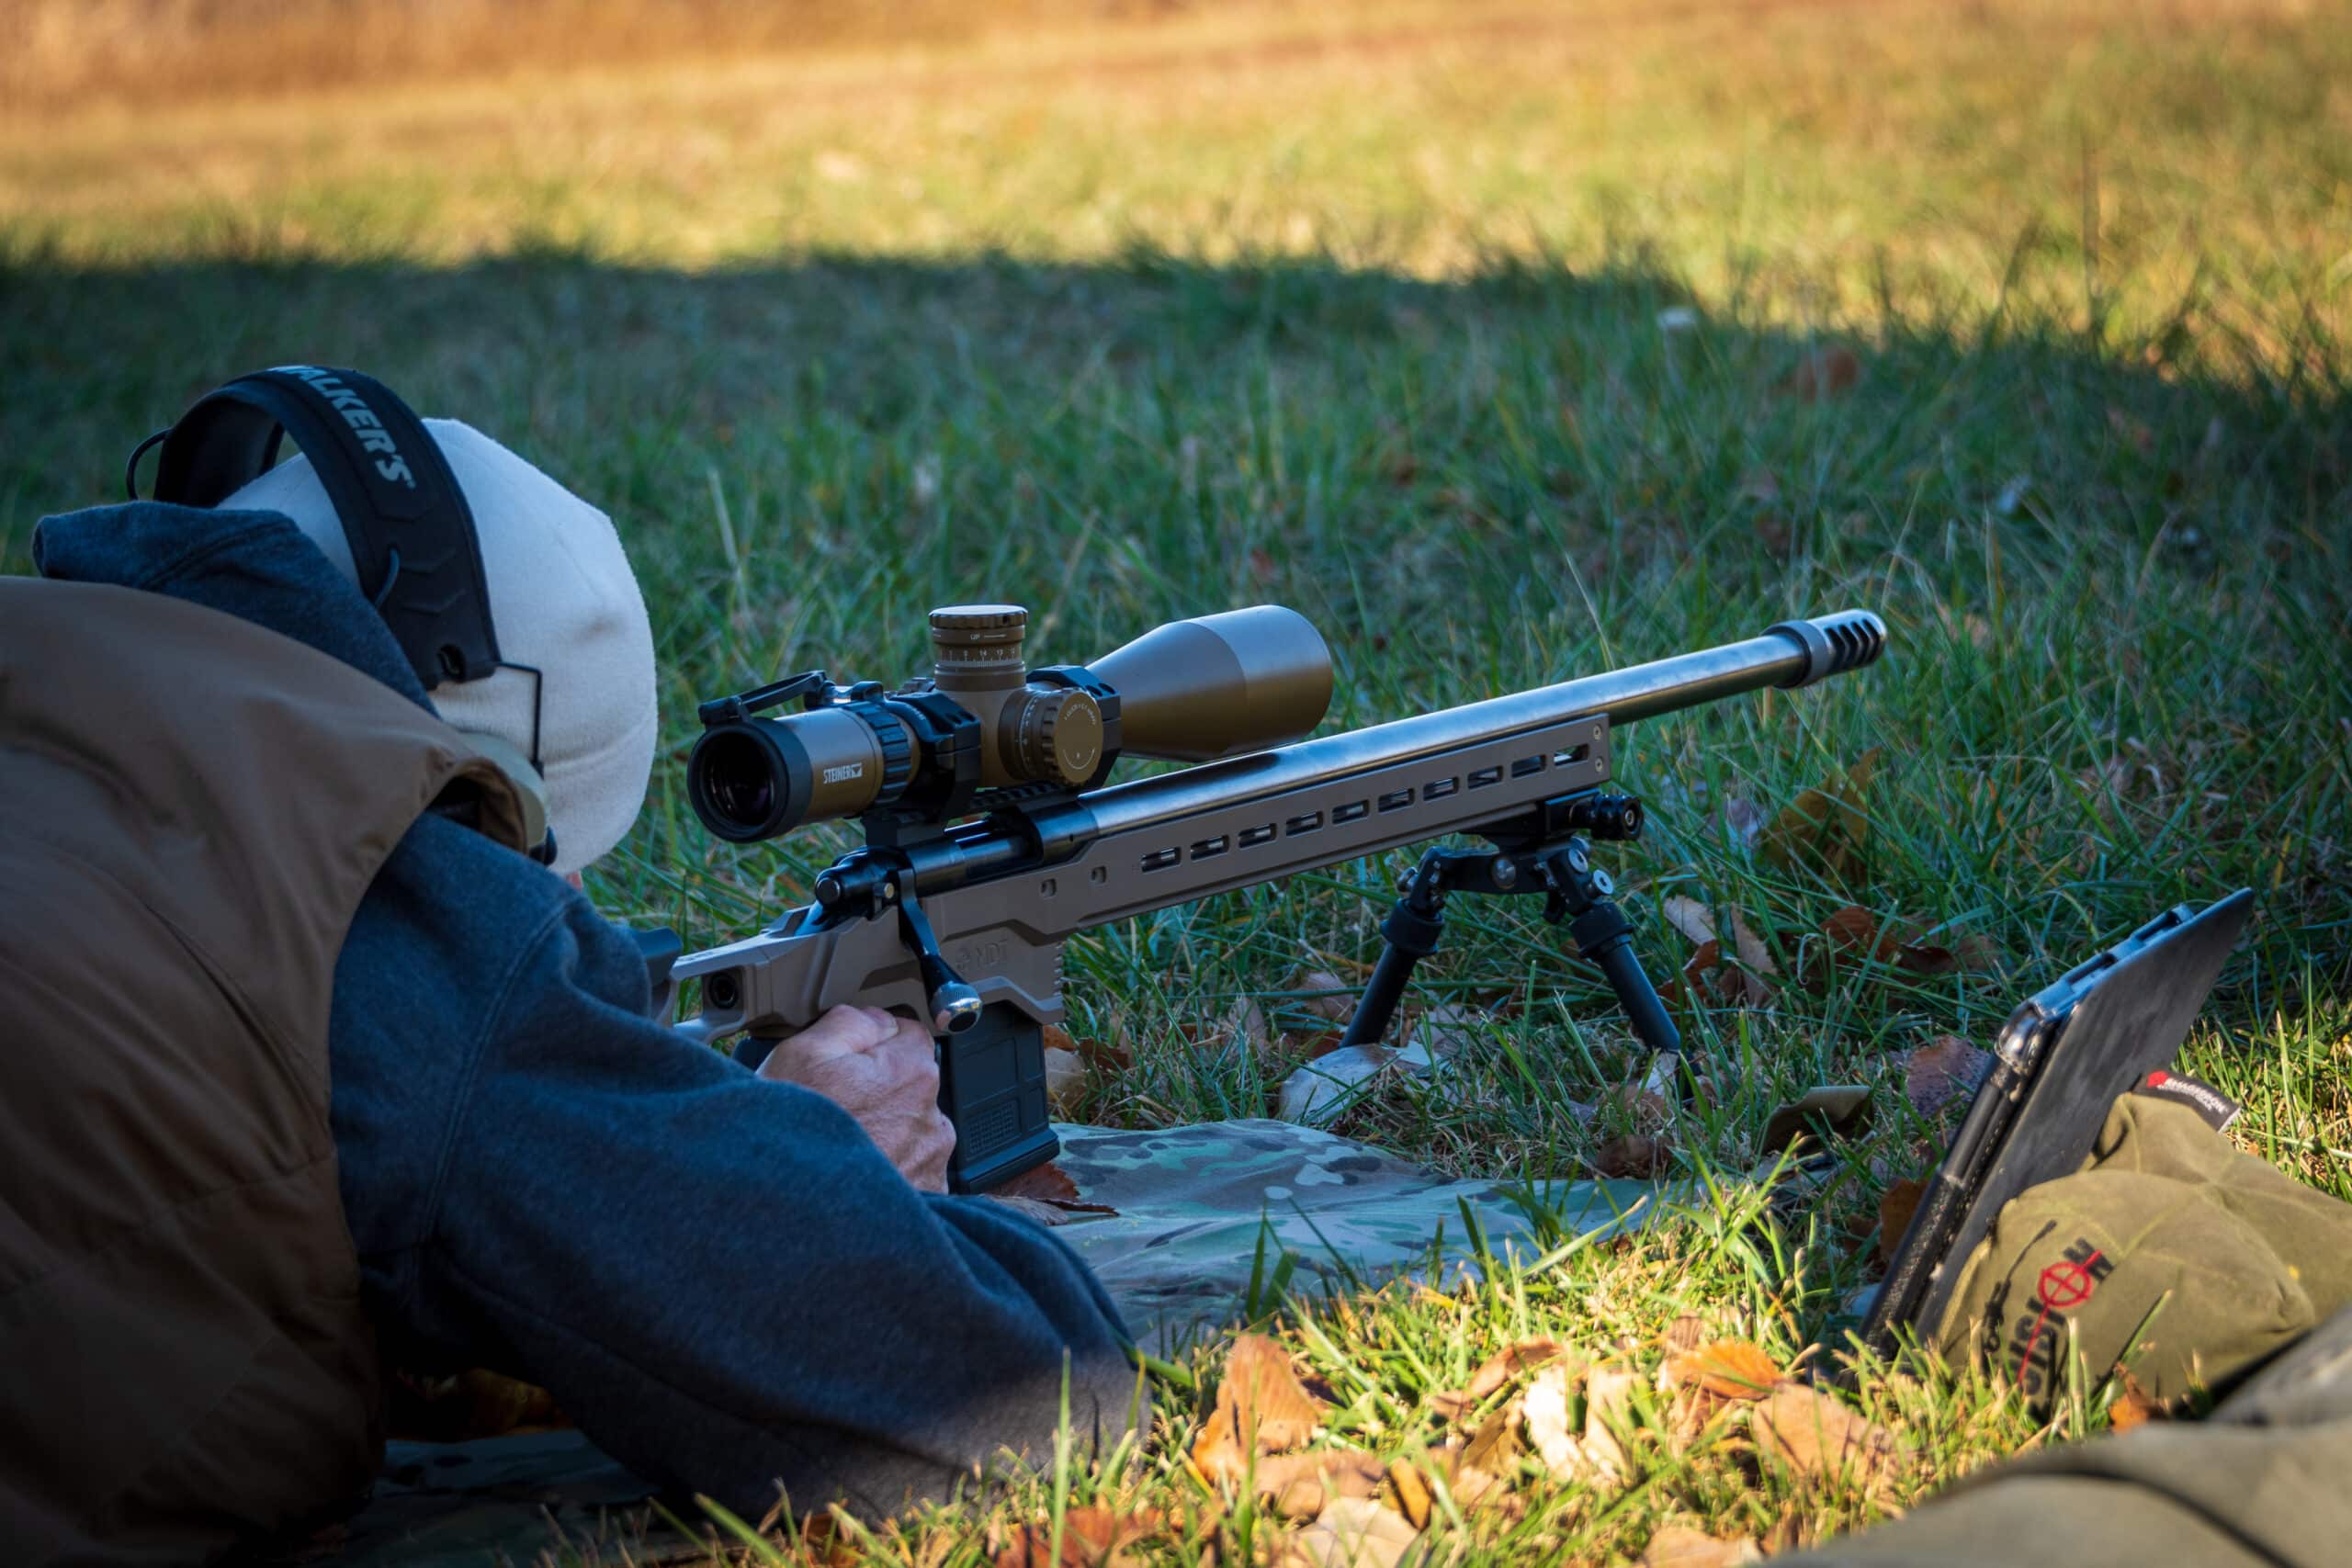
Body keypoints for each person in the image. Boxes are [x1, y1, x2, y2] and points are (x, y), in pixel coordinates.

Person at [0, 408, 1140, 1565]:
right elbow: (1027, 1404)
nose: (559, 916)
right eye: (552, 875)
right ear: (478, 789)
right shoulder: (395, 912)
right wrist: (822, 1174)